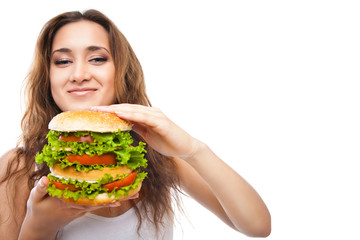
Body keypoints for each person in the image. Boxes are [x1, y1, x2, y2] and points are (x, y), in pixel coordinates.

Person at [0, 9, 271, 240]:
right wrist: (38, 227)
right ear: (47, 77)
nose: (79, 74)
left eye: (97, 58)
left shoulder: (157, 153)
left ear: (121, 71)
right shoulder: (18, 167)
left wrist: (193, 150)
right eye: (63, 61)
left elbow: (257, 227)